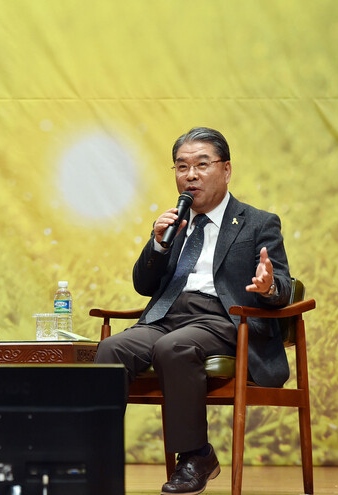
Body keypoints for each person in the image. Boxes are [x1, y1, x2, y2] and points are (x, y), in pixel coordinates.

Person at [95, 127, 291, 495]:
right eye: (182, 167)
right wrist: (156, 245)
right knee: (111, 350)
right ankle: (94, 456)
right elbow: (143, 285)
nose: (191, 175)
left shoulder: (258, 223)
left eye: (202, 164)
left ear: (226, 169)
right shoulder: (174, 222)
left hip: (224, 318)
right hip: (167, 315)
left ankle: (194, 455)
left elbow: (280, 283)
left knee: (175, 347)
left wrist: (269, 286)